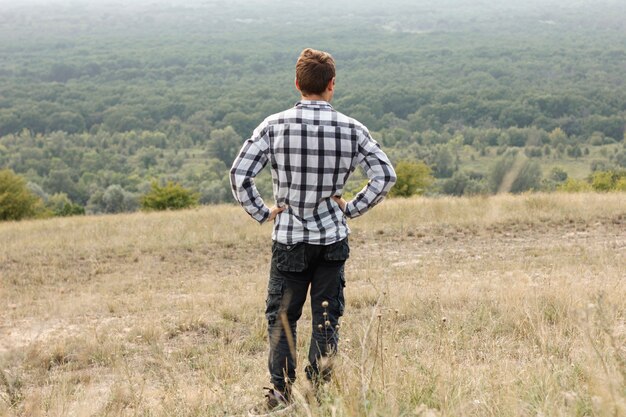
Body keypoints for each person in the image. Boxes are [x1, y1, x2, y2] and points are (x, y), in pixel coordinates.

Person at [230, 48, 396, 415]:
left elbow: (239, 175)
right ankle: (319, 392)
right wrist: (350, 207)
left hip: (289, 237)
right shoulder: (352, 128)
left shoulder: (273, 125)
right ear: (331, 85)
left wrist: (264, 211)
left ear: (297, 83)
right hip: (332, 238)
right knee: (326, 318)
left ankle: (280, 395)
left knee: (283, 318)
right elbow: (385, 175)